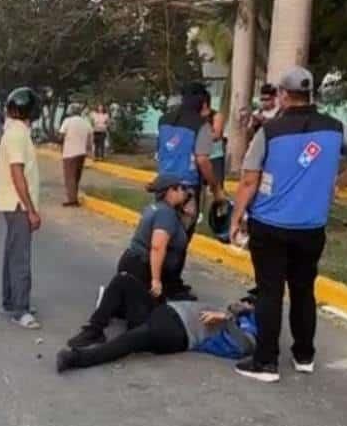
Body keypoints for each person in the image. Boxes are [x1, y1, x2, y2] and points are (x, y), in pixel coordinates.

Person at [231, 66, 347, 383]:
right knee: (303, 291)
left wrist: (235, 218)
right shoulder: (334, 128)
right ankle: (304, 355)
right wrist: (339, 183)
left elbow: (248, 180)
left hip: (270, 224)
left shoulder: (270, 131)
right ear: (310, 95)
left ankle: (266, 363)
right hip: (311, 227)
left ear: (284, 95)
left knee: (270, 293)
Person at [66, 173, 192, 348]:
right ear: (170, 191)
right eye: (182, 189)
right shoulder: (166, 215)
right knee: (141, 322)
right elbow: (157, 247)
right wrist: (156, 280)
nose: (186, 193)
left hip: (133, 263)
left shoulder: (156, 208)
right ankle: (101, 321)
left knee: (145, 301)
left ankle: (114, 302)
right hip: (142, 268)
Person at [56, 295, 258, 372]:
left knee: (130, 340)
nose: (240, 303)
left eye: (246, 303)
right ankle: (97, 325)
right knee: (126, 282)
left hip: (177, 330)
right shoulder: (228, 309)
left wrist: (227, 318)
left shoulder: (246, 323)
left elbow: (246, 346)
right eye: (242, 300)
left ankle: (77, 359)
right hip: (165, 313)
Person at [156, 83, 225, 296]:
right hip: (187, 188)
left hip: (163, 184)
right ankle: (172, 285)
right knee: (181, 237)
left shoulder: (164, 119)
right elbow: (203, 160)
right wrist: (216, 188)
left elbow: (160, 150)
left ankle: (158, 278)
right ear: (204, 103)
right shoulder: (201, 125)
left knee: (162, 232)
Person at [0, 87, 43, 330]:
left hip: (13, 204)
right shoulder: (17, 135)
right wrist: (31, 209)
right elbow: (17, 173)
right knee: (20, 257)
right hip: (18, 205)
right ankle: (20, 309)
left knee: (12, 252)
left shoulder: (15, 132)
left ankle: (10, 301)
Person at [59, 103, 93, 206]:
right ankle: (74, 197)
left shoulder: (67, 121)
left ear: (71, 111)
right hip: (81, 153)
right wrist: (88, 149)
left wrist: (61, 144)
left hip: (69, 153)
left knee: (70, 177)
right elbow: (90, 136)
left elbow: (61, 135)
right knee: (77, 177)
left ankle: (72, 200)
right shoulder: (85, 122)